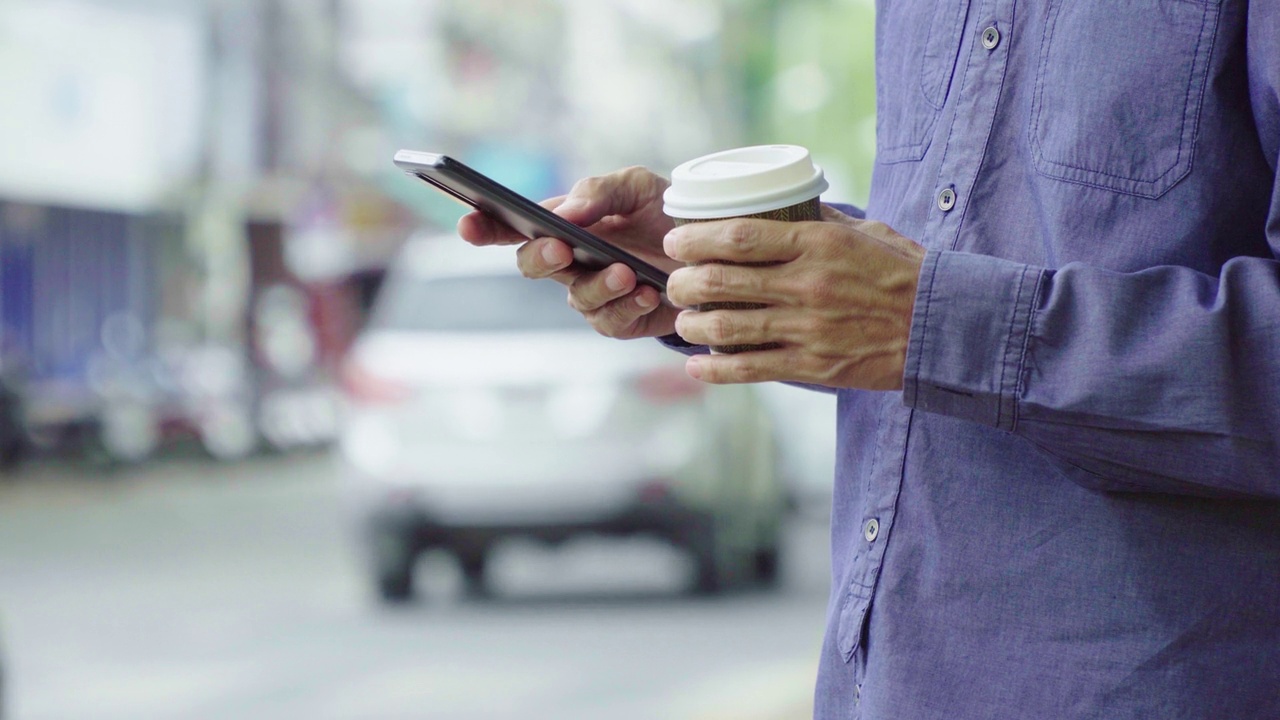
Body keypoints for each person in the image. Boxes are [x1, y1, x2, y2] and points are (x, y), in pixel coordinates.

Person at [460, 2, 1280, 717]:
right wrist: (731, 277)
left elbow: (924, 310)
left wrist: (932, 319)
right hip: (881, 685)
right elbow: (919, 290)